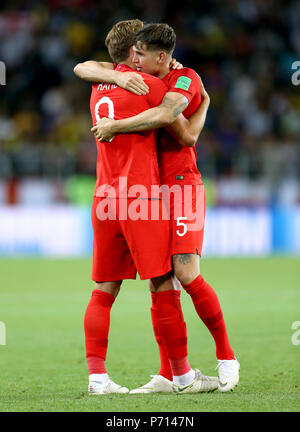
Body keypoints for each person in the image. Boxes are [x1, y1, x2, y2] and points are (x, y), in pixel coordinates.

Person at [87, 23, 240, 393]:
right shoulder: (137, 80)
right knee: (162, 280)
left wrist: (203, 103)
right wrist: (121, 80)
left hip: (181, 186)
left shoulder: (184, 78)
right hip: (148, 194)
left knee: (184, 274)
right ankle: (170, 374)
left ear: (159, 56)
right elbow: (85, 67)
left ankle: (226, 356)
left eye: (141, 53)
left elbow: (185, 134)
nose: (134, 59)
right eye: (133, 52)